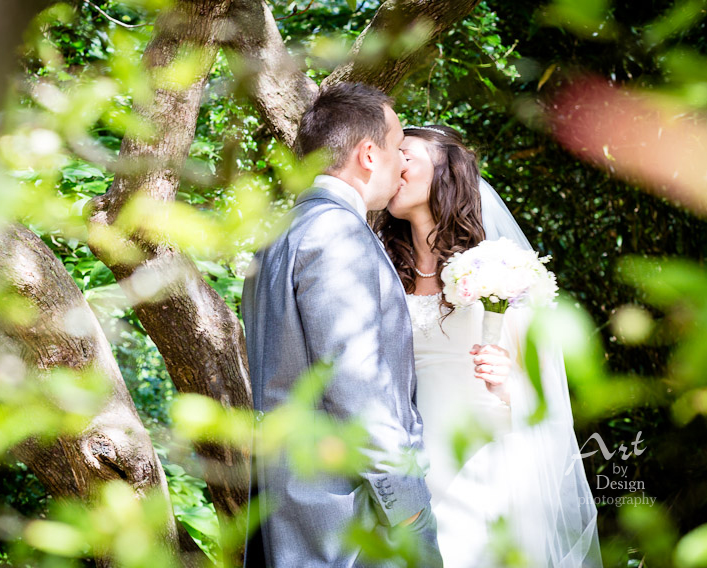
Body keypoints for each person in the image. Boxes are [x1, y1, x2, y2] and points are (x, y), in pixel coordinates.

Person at [372, 124, 602, 567]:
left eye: (407, 156)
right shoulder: (381, 265)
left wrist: (506, 383)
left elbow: (539, 390)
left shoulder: (500, 268)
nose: (395, 166)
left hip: (481, 458)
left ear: (445, 173)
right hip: (408, 463)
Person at [241, 83, 442, 567]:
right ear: (368, 155)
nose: (401, 165)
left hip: (291, 503)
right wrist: (411, 509)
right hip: (346, 517)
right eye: (396, 149)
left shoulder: (277, 235)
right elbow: (356, 384)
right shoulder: (337, 233)